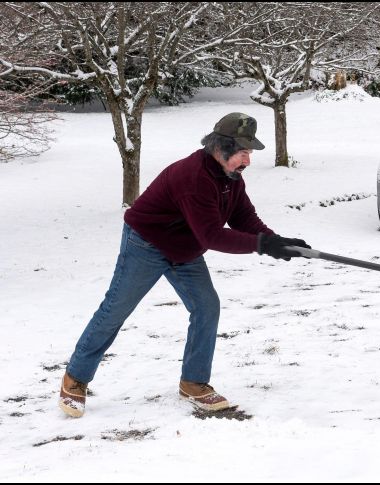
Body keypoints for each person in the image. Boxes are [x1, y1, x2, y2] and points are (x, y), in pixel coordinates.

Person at [59, 113, 311, 418]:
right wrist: (262, 246)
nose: (247, 161)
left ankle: (193, 382)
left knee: (207, 307)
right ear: (221, 148)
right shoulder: (194, 178)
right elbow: (213, 235)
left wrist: (277, 241)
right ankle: (75, 377)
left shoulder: (231, 177)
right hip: (147, 244)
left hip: (185, 248)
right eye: (243, 153)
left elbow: (243, 217)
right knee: (116, 309)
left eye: (250, 153)